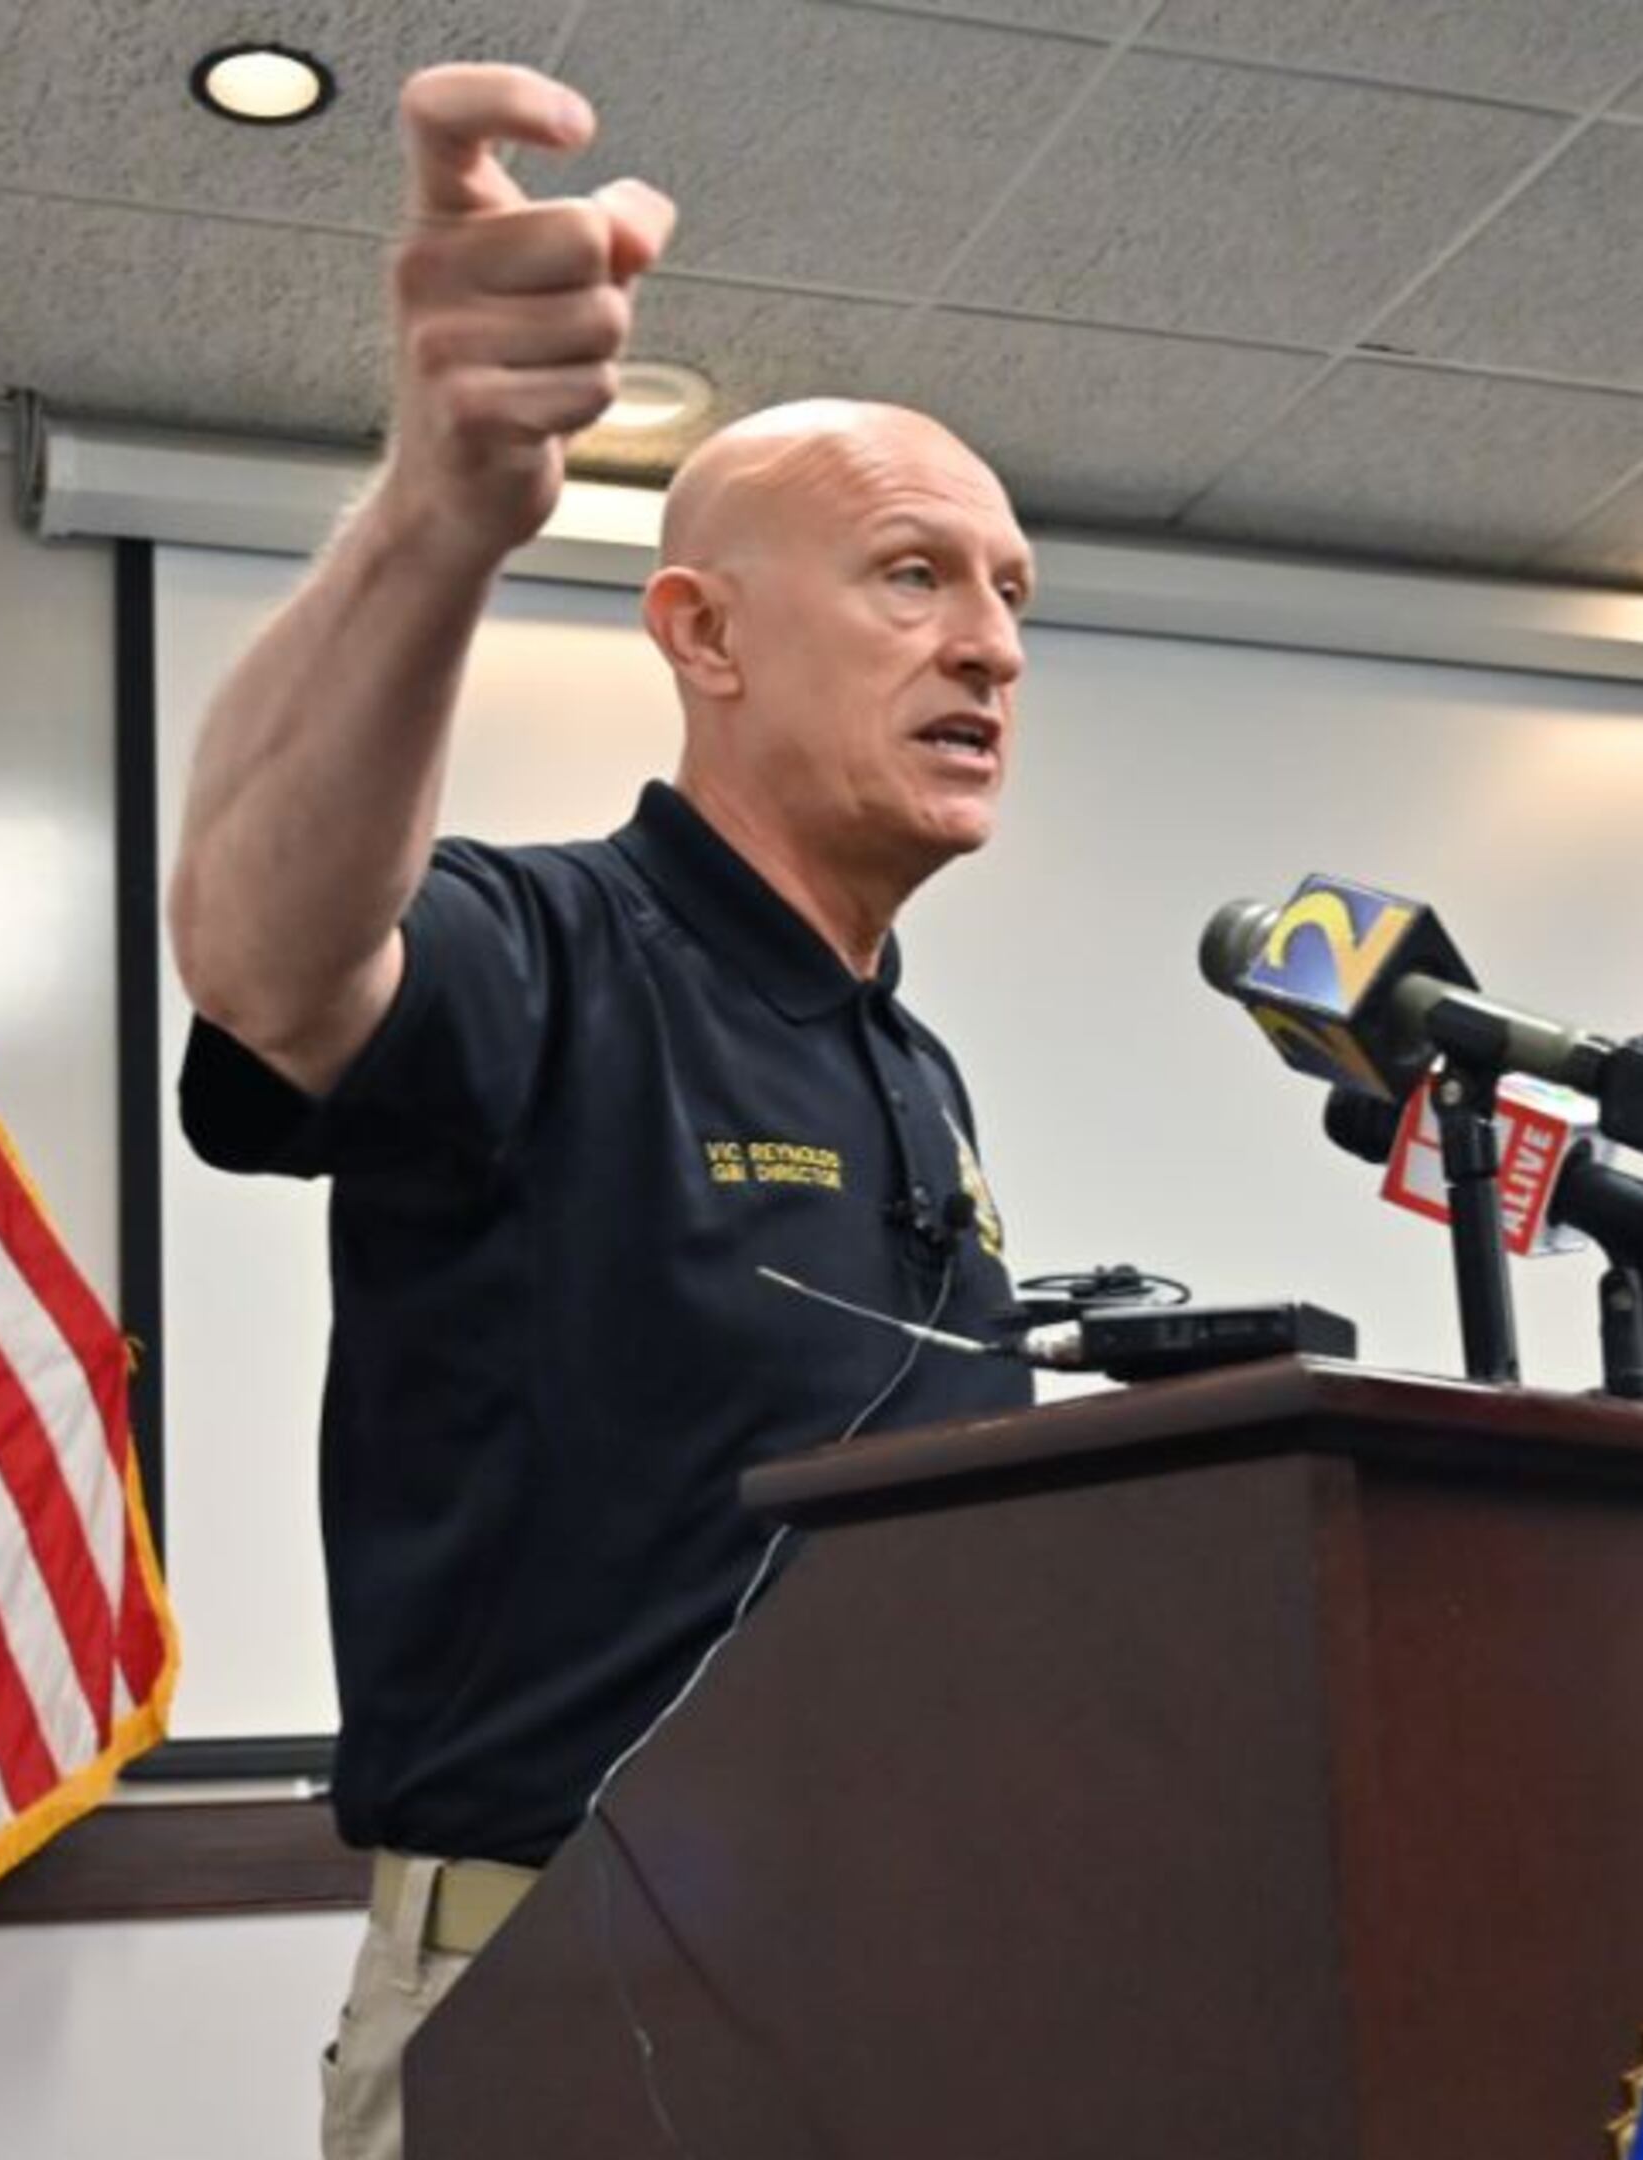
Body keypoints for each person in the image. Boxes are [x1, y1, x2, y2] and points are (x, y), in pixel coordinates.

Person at [164, 60, 1040, 2160]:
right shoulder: (542, 953)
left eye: (1015, 591)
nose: (992, 645)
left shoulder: (913, 1068)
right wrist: (435, 519)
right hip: (565, 1986)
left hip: (914, 1979)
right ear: (701, 634)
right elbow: (266, 955)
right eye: (917, 575)